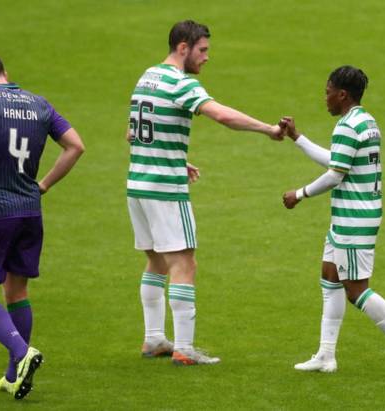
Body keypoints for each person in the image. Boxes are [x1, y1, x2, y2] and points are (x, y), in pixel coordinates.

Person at [127, 20, 284, 365]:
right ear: (183, 48)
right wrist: (267, 129)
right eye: (203, 50)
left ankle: (153, 338)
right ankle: (184, 347)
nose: (206, 57)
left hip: (137, 185)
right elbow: (221, 115)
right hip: (165, 191)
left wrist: (174, 158)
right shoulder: (180, 83)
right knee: (185, 262)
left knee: (155, 260)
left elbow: (134, 133)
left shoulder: (146, 77)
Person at [281, 65, 385, 380]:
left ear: (342, 94)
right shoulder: (366, 120)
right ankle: (325, 354)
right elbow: (339, 160)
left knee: (355, 289)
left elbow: (335, 174)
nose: (325, 99)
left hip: (355, 218)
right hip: (350, 216)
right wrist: (298, 138)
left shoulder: (348, 126)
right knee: (330, 275)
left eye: (327, 92)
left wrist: (300, 193)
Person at [0, 52, 85, 398]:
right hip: (30, 210)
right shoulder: (39, 104)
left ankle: (21, 351)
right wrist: (42, 185)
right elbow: (76, 146)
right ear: (5, 74)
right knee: (18, 292)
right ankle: (14, 375)